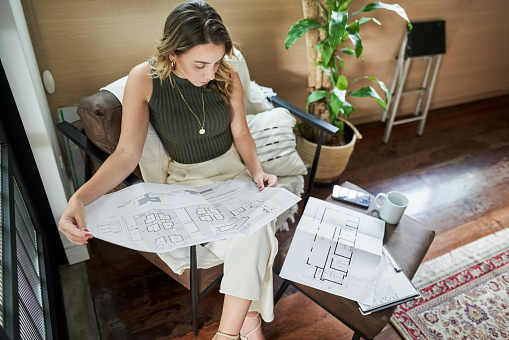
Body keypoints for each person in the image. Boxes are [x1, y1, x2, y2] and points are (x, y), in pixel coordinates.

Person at [58, 1, 278, 339]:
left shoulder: (226, 73)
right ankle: (246, 324)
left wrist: (258, 172)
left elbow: (241, 133)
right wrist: (80, 198)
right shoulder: (144, 79)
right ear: (173, 53)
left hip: (234, 173)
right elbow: (126, 154)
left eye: (217, 62)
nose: (209, 74)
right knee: (256, 236)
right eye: (200, 64)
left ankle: (230, 332)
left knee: (256, 229)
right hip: (187, 182)